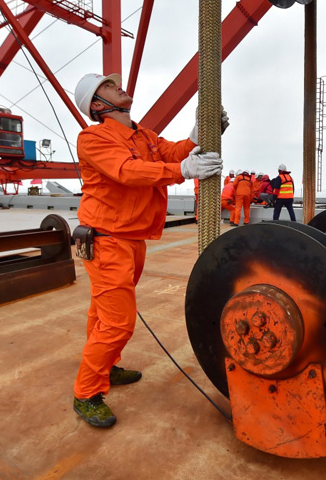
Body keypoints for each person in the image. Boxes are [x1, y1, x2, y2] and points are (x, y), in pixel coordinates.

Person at [71, 72, 228, 428]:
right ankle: (86, 392)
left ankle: (106, 369)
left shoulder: (142, 135)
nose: (118, 86)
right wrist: (183, 170)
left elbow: (168, 152)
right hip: (107, 239)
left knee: (102, 313)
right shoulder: (93, 137)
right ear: (98, 105)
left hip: (132, 238)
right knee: (117, 322)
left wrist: (194, 138)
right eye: (108, 87)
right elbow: (127, 171)